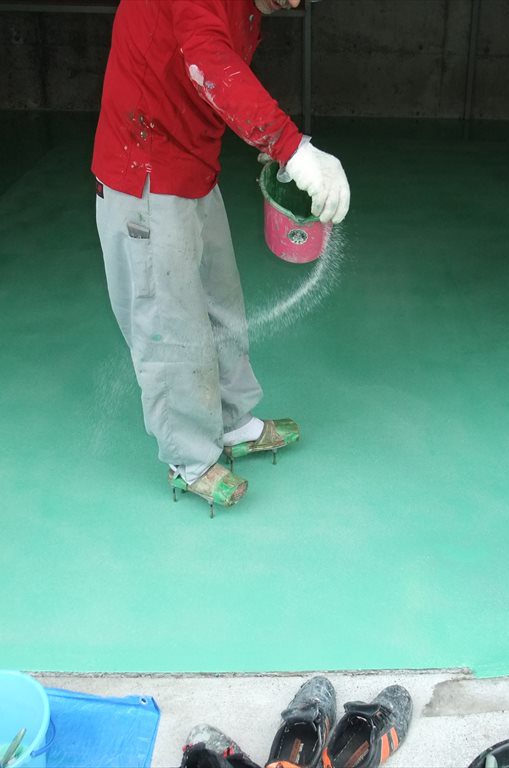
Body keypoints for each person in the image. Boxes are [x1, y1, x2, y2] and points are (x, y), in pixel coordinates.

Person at [92, 0, 349, 513]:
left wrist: (269, 140)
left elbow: (216, 81)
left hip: (192, 169)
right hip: (144, 173)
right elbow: (207, 60)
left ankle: (232, 424)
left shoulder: (251, 9)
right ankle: (190, 459)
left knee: (219, 301)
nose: (294, 3)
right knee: (169, 323)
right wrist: (290, 147)